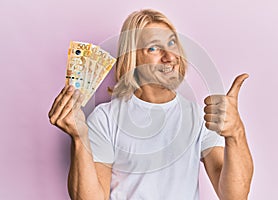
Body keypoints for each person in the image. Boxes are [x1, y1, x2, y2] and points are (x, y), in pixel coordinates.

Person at [48, 9, 253, 200]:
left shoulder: (200, 118)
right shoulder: (105, 119)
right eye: (154, 48)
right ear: (133, 59)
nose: (170, 57)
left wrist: (236, 133)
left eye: (172, 43)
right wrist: (79, 138)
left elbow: (234, 196)